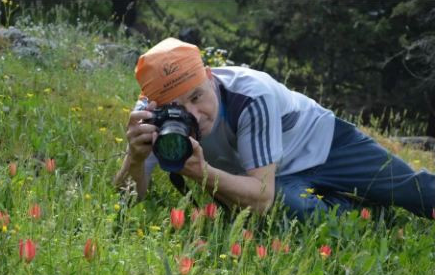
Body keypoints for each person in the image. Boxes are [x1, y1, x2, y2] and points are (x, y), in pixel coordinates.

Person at [114, 37, 435, 221]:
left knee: (407, 188)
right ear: (155, 105)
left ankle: (379, 202)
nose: (194, 115)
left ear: (210, 76)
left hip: (323, 142)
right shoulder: (154, 119)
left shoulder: (252, 93)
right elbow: (127, 200)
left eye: (197, 96)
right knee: (288, 210)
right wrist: (136, 158)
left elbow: (259, 195)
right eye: (179, 108)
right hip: (273, 176)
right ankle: (368, 216)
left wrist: (202, 173)